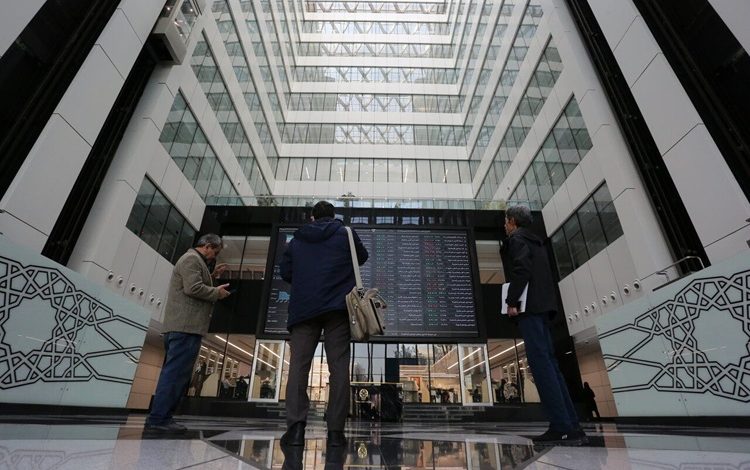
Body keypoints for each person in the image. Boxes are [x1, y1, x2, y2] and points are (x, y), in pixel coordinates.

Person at [279, 200, 368, 448]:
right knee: (338, 367)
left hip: (303, 311)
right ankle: (336, 432)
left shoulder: (297, 239)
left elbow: (286, 272)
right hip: (338, 310)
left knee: (298, 367)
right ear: (333, 215)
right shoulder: (346, 234)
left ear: (312, 217)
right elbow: (362, 257)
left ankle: (296, 430)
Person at [502, 205, 585, 445]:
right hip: (545, 308)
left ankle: (560, 426)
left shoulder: (517, 239)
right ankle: (572, 425)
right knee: (551, 367)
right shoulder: (537, 242)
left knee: (541, 367)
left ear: (513, 221)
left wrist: (512, 301)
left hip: (530, 309)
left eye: (506, 221)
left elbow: (521, 269)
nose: (505, 225)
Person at [145, 233, 231, 432]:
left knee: (177, 374)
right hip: (185, 326)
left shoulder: (194, 261)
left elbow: (195, 283)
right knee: (175, 374)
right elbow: (193, 288)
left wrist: (212, 276)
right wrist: (216, 293)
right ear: (207, 246)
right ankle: (159, 418)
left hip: (184, 327)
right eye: (215, 252)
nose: (214, 256)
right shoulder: (191, 259)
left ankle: (162, 417)